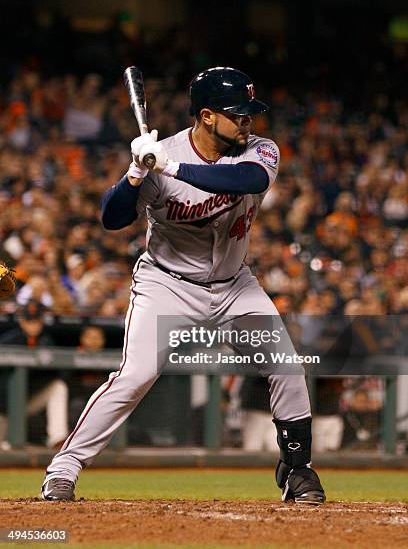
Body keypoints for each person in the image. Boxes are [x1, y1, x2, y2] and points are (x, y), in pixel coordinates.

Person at [41, 67, 325, 504]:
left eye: (250, 114)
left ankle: (298, 470)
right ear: (207, 116)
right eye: (238, 114)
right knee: (135, 376)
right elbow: (112, 218)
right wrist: (134, 174)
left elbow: (246, 180)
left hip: (235, 286)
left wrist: (170, 167)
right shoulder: (158, 155)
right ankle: (63, 469)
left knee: (286, 365)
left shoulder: (258, 150)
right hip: (166, 285)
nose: (248, 122)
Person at [0, 301, 68, 448]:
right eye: (29, 321)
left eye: (36, 321)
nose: (33, 325)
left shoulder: (47, 342)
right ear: (22, 322)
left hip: (27, 401)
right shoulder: (8, 341)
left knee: (58, 387)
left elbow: (58, 374)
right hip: (3, 407)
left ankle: (57, 438)